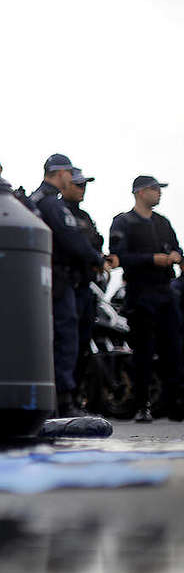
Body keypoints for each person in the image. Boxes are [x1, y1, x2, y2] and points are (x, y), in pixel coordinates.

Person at [27, 154, 109, 418]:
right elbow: (71, 239)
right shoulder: (51, 203)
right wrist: (97, 259)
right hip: (59, 280)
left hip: (50, 279)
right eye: (69, 175)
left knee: (60, 341)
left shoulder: (37, 200)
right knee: (65, 341)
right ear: (60, 174)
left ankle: (58, 401)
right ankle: (63, 403)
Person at [109, 175, 184, 422]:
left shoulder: (163, 222)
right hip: (140, 294)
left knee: (173, 349)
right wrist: (151, 259)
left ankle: (172, 404)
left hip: (165, 292)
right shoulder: (124, 222)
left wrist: (174, 255)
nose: (159, 194)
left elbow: (176, 248)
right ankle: (142, 405)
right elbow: (119, 256)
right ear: (140, 192)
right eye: (154, 189)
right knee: (143, 352)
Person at [62, 168, 104, 398]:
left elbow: (95, 245)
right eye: (78, 185)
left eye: (84, 185)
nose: (82, 189)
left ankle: (77, 396)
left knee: (82, 345)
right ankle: (65, 398)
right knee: (67, 345)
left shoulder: (85, 217)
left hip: (87, 289)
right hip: (68, 287)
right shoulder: (58, 212)